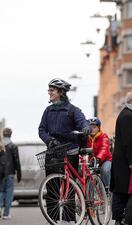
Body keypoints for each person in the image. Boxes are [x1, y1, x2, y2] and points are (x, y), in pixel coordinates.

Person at [38, 78, 91, 224]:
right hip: (53, 151)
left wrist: (86, 128)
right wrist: (49, 140)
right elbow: (41, 129)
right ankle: (53, 219)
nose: (49, 93)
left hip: (70, 151)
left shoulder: (73, 110)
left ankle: (68, 220)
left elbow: (83, 122)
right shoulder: (48, 111)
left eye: (52, 90)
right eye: (49, 90)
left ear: (60, 92)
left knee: (69, 187)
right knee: (52, 188)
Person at [110, 90, 132, 225]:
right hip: (125, 162)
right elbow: (129, 141)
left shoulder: (129, 114)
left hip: (122, 161)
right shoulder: (128, 116)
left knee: (124, 191)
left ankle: (126, 218)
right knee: (123, 191)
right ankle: (122, 219)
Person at [0, 127, 21, 220]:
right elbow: (16, 161)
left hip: (1, 173)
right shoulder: (13, 146)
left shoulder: (0, 146)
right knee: (9, 193)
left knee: (1, 191)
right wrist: (19, 174)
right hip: (10, 173)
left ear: (3, 134)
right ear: (11, 134)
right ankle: (6, 214)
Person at [86, 117, 112, 189]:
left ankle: (107, 189)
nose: (92, 129)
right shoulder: (87, 138)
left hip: (105, 160)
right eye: (90, 127)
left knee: (105, 170)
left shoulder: (103, 136)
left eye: (94, 127)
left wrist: (98, 158)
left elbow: (104, 148)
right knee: (86, 174)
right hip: (92, 161)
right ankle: (89, 194)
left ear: (98, 128)